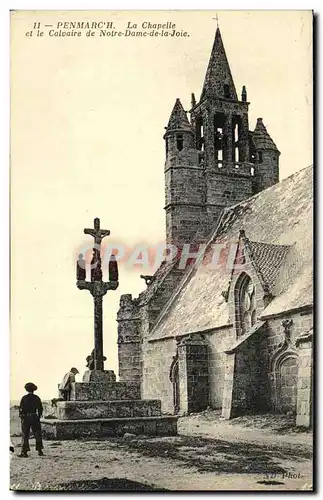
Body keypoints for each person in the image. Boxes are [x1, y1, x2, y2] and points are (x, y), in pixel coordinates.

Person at [18, 382, 44, 458]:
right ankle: (40, 451)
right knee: (37, 434)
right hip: (34, 417)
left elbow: (21, 409)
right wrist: (38, 417)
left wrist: (22, 417)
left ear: (26, 389)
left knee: (25, 434)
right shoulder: (37, 398)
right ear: (34, 389)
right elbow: (40, 409)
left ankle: (24, 452)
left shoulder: (24, 398)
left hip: (26, 417)